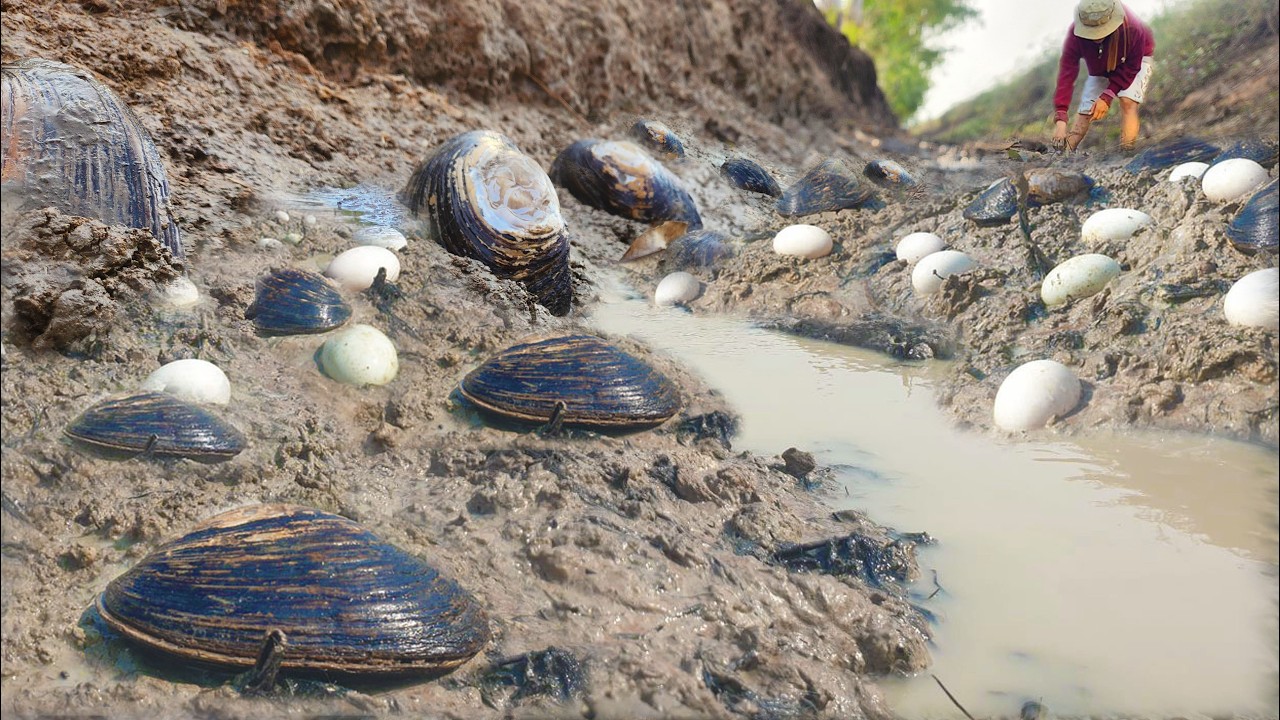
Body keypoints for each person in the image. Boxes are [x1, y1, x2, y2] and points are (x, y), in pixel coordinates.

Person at [1051, 0, 1155, 153]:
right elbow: (1067, 72)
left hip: (1136, 60)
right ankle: (1064, 154)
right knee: (1087, 109)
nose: (1096, 36)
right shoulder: (1075, 35)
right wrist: (1061, 118)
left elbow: (1132, 66)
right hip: (1100, 66)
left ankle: (1126, 152)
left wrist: (1107, 95)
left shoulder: (1132, 28)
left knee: (1128, 102)